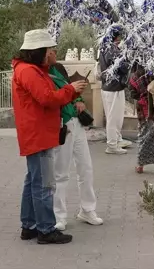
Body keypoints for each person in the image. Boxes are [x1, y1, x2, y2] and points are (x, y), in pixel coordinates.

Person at [12, 29, 87, 244]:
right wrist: (71, 90)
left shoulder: (30, 69)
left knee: (33, 180)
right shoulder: (29, 72)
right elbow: (47, 99)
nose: (51, 54)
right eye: (48, 50)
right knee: (44, 183)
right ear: (37, 52)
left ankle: (29, 225)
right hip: (39, 133)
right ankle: (45, 229)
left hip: (36, 132)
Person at [49, 62, 103, 231]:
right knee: (61, 173)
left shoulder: (57, 67)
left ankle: (87, 209)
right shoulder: (39, 72)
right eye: (50, 50)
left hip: (75, 123)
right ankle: (59, 216)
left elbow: (68, 87)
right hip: (61, 126)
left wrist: (79, 99)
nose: (53, 53)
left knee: (85, 168)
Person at [98, 24, 131, 154]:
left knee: (114, 116)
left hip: (109, 86)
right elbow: (122, 67)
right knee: (113, 117)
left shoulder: (104, 47)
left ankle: (117, 139)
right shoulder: (112, 49)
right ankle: (112, 145)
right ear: (116, 37)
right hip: (113, 88)